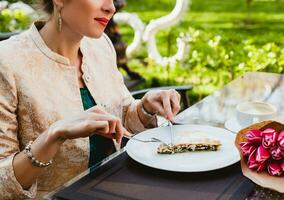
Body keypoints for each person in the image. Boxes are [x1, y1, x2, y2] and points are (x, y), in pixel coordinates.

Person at [0, 0, 181, 199]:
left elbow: (122, 118)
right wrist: (53, 136)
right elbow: (3, 183)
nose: (110, 7)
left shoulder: (101, 45)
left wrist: (145, 108)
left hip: (115, 188)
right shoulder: (7, 62)